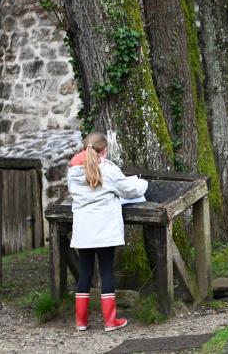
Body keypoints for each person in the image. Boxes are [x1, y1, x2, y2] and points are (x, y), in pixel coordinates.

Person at [67, 132, 148, 332]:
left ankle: (81, 321)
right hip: (105, 230)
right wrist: (143, 183)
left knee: (85, 273)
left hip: (84, 231)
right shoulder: (109, 170)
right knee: (106, 272)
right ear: (104, 150)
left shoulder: (72, 173)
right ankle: (110, 321)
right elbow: (130, 190)